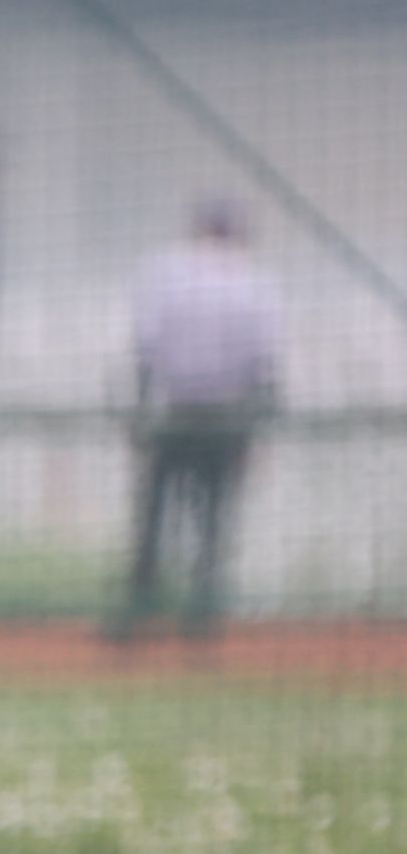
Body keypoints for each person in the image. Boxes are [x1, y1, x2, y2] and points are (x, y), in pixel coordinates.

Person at [114, 198, 283, 643]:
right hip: (226, 417)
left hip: (175, 414)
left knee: (154, 515)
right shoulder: (254, 280)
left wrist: (140, 411)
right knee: (213, 518)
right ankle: (201, 615)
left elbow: (146, 345)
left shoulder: (167, 270)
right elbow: (264, 363)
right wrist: (257, 429)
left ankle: (140, 609)